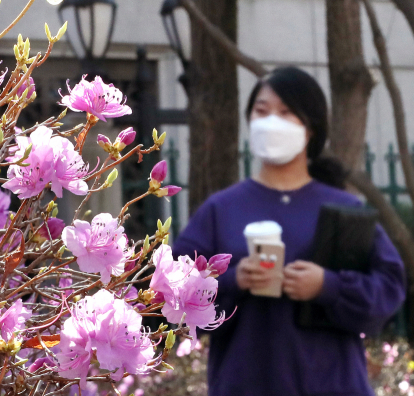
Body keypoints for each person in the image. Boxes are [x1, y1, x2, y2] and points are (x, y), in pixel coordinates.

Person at [172, 66, 406, 396]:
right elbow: (172, 293)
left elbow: (390, 288)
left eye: (286, 113)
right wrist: (234, 279)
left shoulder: (345, 210)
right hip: (245, 383)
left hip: (334, 384)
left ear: (311, 128)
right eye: (262, 111)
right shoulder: (221, 209)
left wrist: (328, 286)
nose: (271, 122)